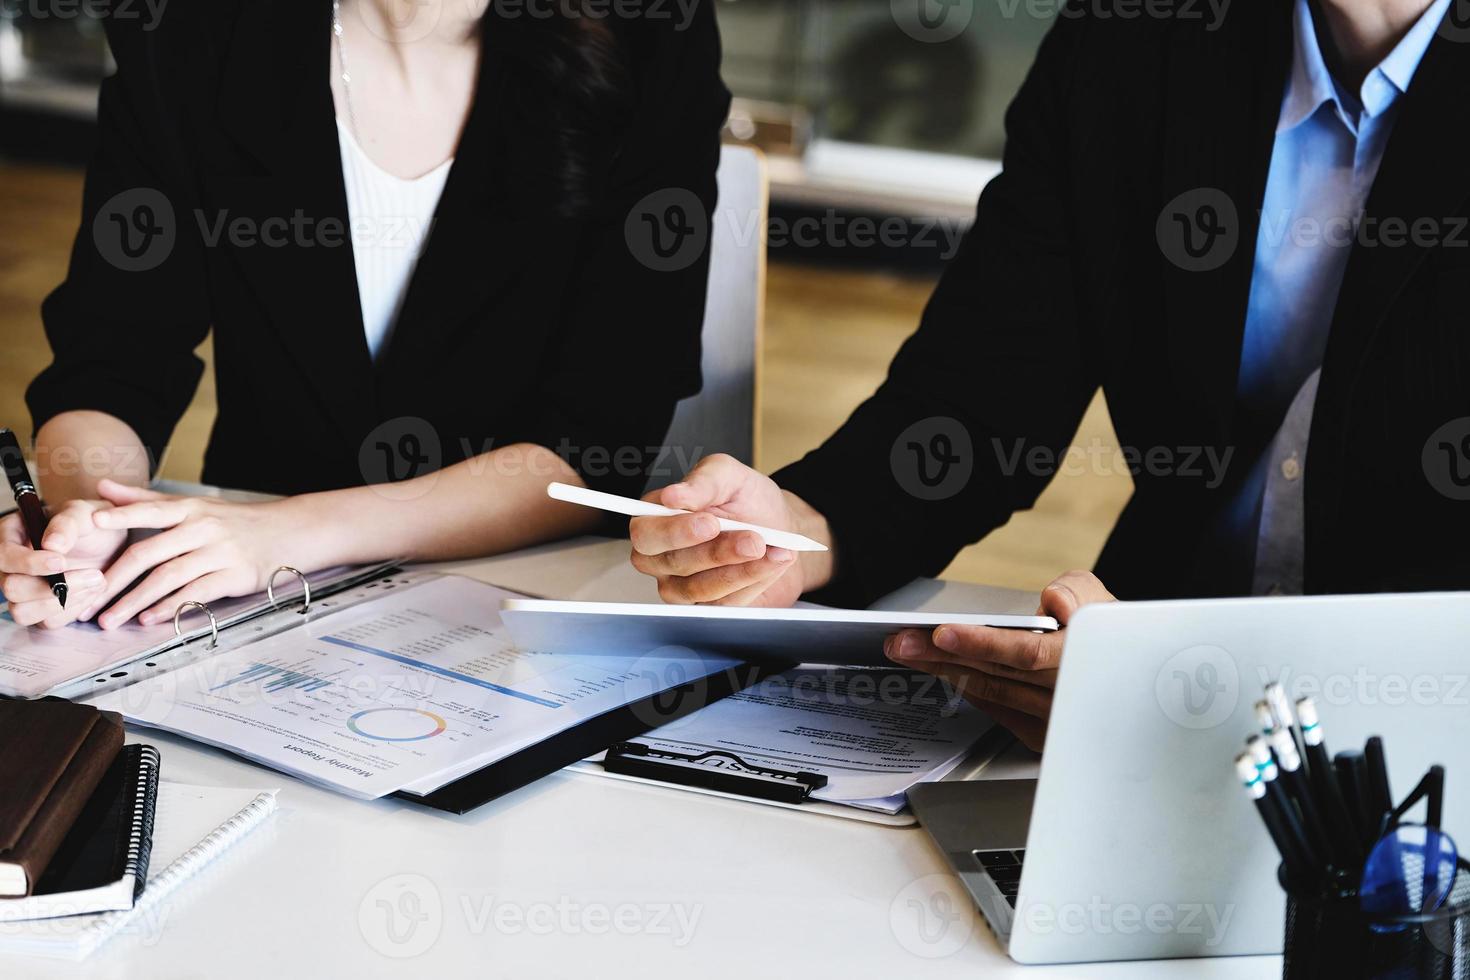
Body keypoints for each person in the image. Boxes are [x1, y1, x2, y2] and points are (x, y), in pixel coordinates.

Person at [628, 0, 1470, 750]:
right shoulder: (1136, 36)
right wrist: (800, 526)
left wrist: (1202, 697)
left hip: (1425, 748)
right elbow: (979, 397)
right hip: (1134, 710)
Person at [2, 0, 729, 630]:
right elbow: (114, 360)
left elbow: (596, 441)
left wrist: (290, 533)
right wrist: (87, 524)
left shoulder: (652, 32)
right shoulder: (191, 26)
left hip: (524, 598)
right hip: (256, 603)